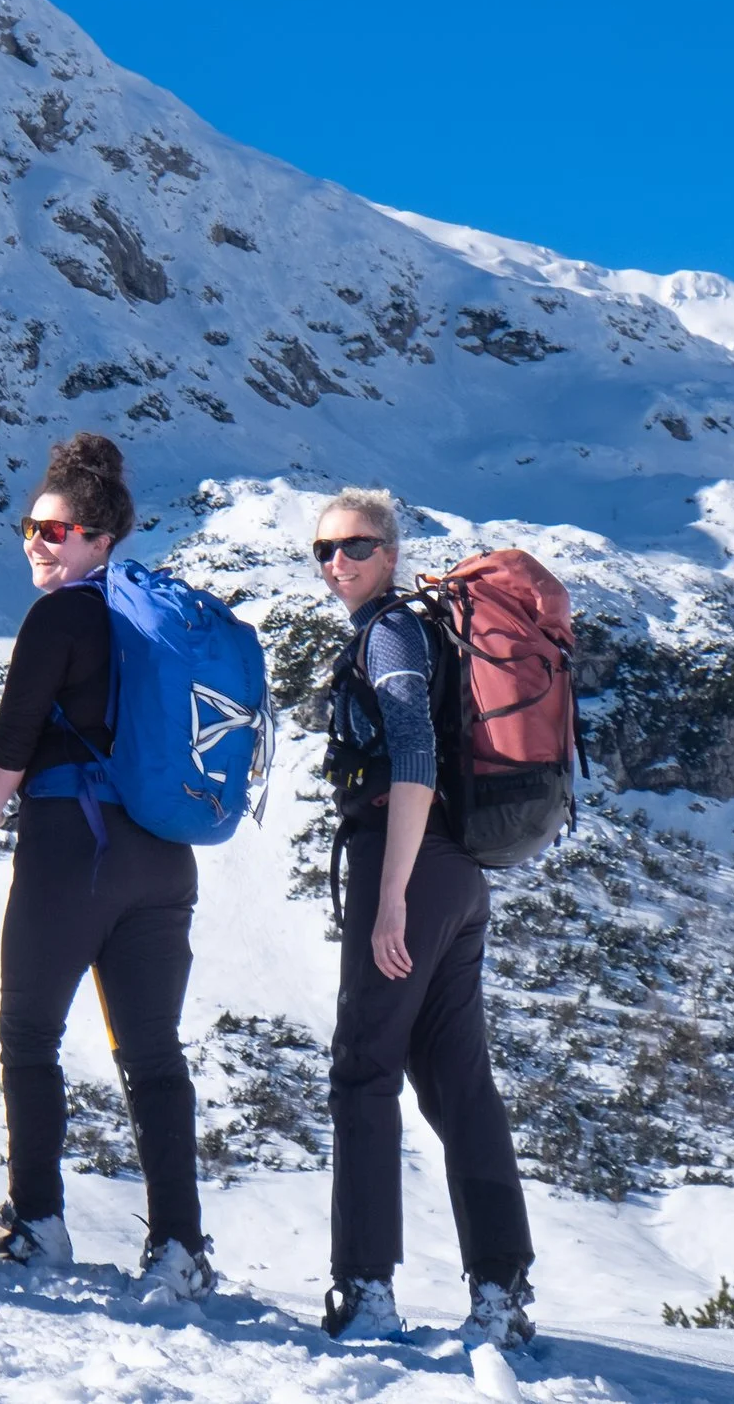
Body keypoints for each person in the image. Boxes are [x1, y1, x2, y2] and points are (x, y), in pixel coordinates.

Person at [0, 433, 215, 1301]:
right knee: (154, 1053)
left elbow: (13, 735)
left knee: (28, 1034)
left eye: (55, 531)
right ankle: (180, 1246)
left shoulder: (63, 615)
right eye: (30, 527)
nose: (37, 542)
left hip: (75, 849)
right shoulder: (153, 621)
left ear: (100, 538)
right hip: (164, 856)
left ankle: (38, 1219)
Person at [311, 487, 536, 1347]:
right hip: (460, 873)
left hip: (405, 860)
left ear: (392, 552)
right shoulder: (412, 627)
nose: (339, 563)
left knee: (363, 1067)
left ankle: (366, 1290)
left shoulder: (394, 632)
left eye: (357, 547)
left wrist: (391, 896)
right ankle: (501, 1289)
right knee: (455, 1081)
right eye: (324, 551)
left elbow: (411, 750)